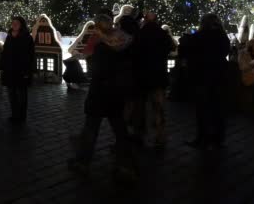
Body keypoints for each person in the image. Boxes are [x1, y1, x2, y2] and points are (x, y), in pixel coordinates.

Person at [68, 14, 136, 179]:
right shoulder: (123, 41)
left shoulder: (99, 45)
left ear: (99, 27)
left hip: (100, 92)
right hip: (117, 92)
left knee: (91, 129)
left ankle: (83, 163)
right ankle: (125, 165)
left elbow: (95, 69)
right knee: (120, 130)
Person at [186, 14, 230, 151]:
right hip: (218, 75)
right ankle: (218, 137)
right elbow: (225, 52)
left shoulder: (198, 36)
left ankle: (203, 137)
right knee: (217, 108)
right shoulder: (222, 36)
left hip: (202, 76)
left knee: (203, 108)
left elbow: (191, 55)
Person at [133, 12, 175, 149]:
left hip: (142, 76)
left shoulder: (140, 33)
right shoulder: (162, 34)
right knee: (158, 107)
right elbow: (171, 47)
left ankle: (139, 134)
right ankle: (159, 135)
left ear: (145, 20)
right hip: (159, 75)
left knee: (140, 106)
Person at [0, 16, 35, 123]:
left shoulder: (27, 37)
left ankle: (21, 116)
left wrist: (28, 71)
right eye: (13, 23)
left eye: (17, 23)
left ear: (21, 25)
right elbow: (5, 53)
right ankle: (14, 115)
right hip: (10, 70)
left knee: (21, 94)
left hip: (21, 70)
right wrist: (2, 66)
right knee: (11, 94)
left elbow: (31, 55)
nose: (14, 25)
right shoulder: (9, 37)